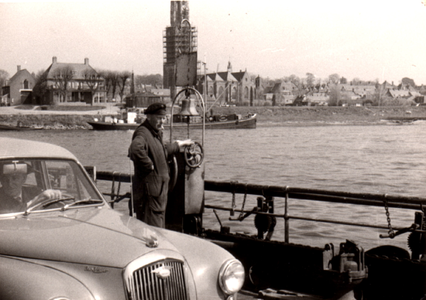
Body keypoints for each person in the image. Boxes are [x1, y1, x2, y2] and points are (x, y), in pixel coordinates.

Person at [128, 102, 192, 228]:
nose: (162, 122)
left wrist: (179, 145)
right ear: (149, 117)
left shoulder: (154, 134)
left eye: (164, 118)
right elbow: (135, 149)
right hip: (150, 198)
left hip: (158, 196)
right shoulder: (143, 132)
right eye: (159, 118)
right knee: (152, 233)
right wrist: (150, 166)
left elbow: (161, 150)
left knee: (158, 231)